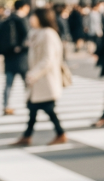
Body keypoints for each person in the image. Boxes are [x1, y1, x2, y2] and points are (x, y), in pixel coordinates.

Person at [12, 8, 67, 146]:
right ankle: (28, 135)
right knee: (33, 108)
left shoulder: (48, 34)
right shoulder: (37, 32)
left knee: (46, 108)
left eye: (34, 16)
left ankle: (60, 134)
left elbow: (48, 59)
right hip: (39, 80)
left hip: (45, 78)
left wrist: (33, 74)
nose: (31, 19)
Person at [1, 0, 30, 115]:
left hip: (9, 55)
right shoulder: (22, 19)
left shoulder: (7, 19)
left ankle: (6, 105)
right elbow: (28, 37)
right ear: (23, 7)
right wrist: (21, 47)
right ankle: (31, 102)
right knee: (27, 82)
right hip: (21, 56)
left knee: (8, 83)